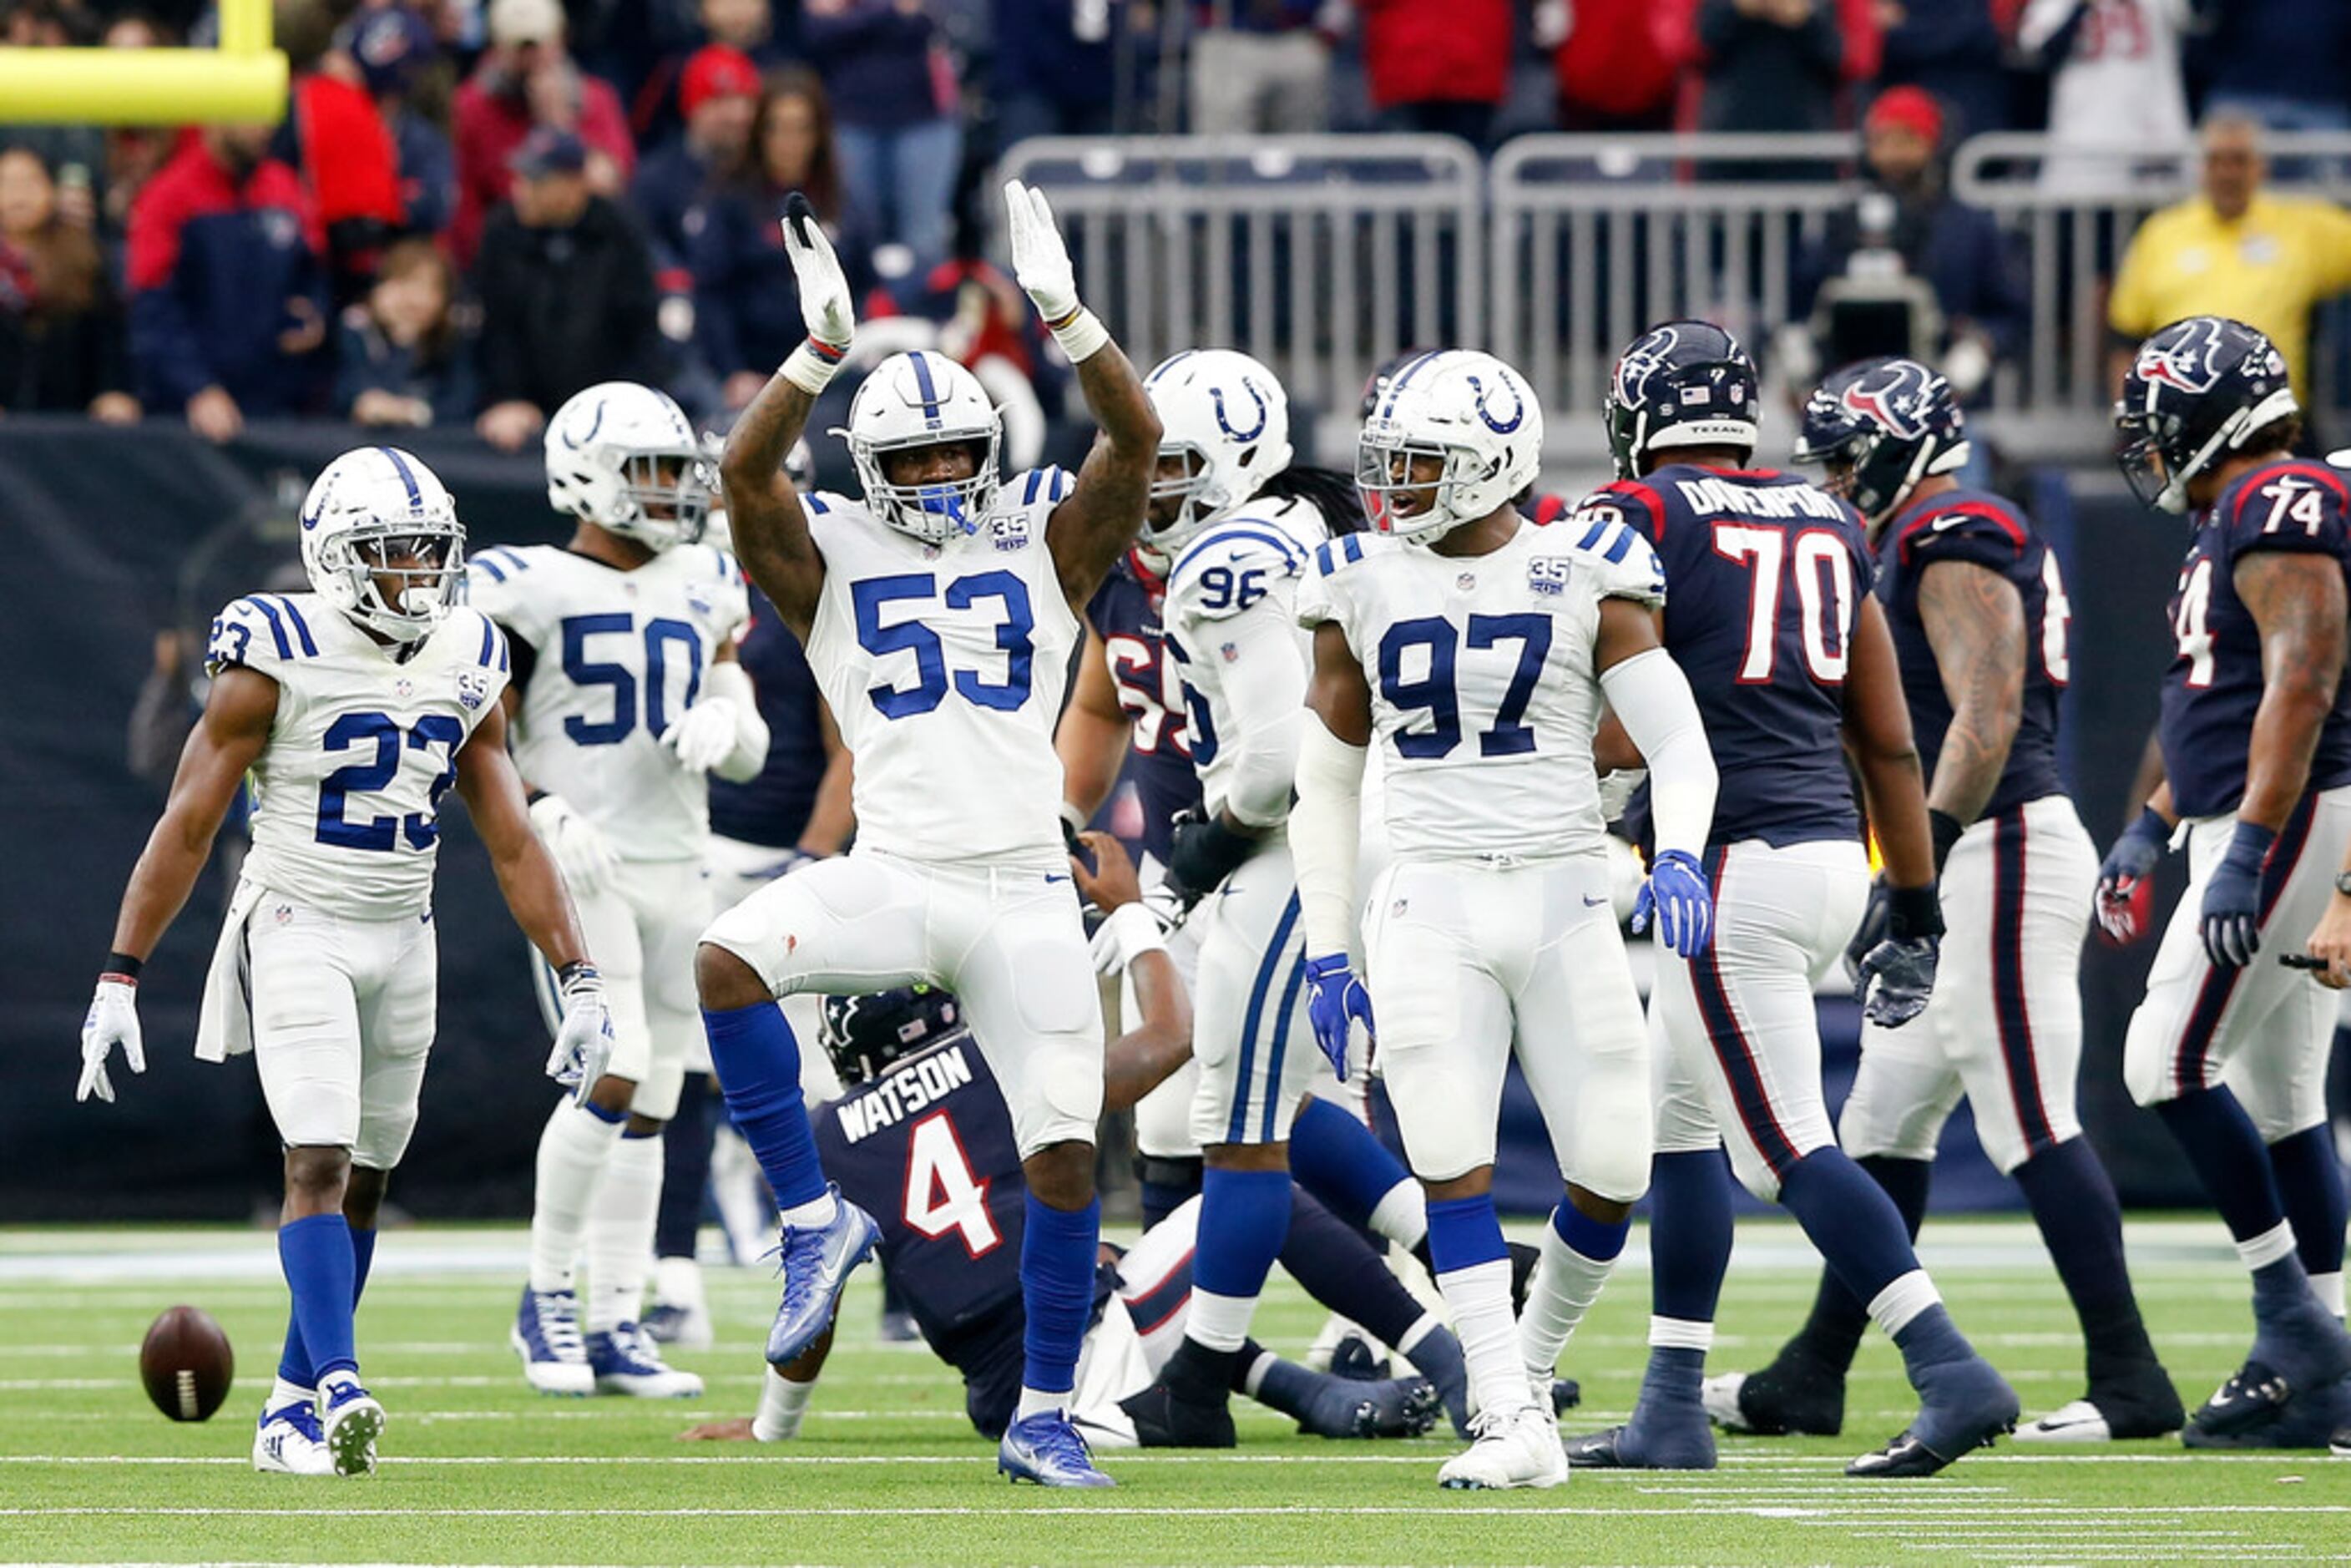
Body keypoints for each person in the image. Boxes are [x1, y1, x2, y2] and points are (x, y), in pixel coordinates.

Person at [699, 181, 1159, 1487]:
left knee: (1065, 1155)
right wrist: (817, 350)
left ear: (992, 453)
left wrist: (1066, 316)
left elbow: (1137, 439)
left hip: (1022, 886)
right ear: (869, 471)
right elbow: (744, 470)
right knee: (727, 960)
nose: (944, 478)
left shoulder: (1045, 545)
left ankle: (1046, 1413)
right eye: (915, 462)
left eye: (960, 455)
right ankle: (809, 1218)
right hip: (897, 873)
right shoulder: (826, 555)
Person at [74, 446, 615, 1476]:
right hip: (298, 920)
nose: (416, 573)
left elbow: (510, 835)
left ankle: (285, 1410)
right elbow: (188, 825)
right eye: (390, 553)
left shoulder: (467, 646)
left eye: (428, 551)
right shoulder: (274, 646)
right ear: (330, 556)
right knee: (315, 1162)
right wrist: (119, 972)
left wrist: (579, 974)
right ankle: (341, 1383)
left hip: (406, 930)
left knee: (367, 1179)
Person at [1547, 329, 2018, 1479]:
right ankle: (1670, 1403)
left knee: (1785, 1149)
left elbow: (1609, 699)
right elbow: (1890, 737)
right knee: (1681, 1126)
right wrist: (1913, 903)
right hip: (1826, 858)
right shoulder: (1826, 517)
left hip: (1726, 866)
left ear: (1639, 415)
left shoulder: (1640, 514)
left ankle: (1950, 1366)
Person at [1712, 357, 2180, 1446]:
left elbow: (1990, 710)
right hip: (1963, 850)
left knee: (2027, 1110)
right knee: (1881, 1122)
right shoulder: (1924, 528)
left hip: (1999, 845)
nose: (1830, 479)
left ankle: (2132, 1374)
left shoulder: (1952, 527)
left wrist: (1923, 864)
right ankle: (1814, 1370)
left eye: (1842, 456)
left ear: (1896, 443)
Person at [1289, 346, 1719, 1489]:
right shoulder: (1359, 578)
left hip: (1566, 881)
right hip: (1430, 888)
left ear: (1491, 465)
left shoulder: (1590, 564)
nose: (1396, 487)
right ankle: (1503, 1412)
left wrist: (1676, 852)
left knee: (1613, 1166)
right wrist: (1330, 949)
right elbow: (1325, 784)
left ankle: (1519, 1383)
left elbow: (1676, 740)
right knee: (1449, 1156)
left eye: (1422, 464)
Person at [682, 837, 1442, 1449]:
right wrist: (1135, 918)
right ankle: (1450, 1356)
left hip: (999, 1400)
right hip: (1076, 1352)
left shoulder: (827, 1135)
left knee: (1125, 1275)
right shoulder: (989, 1066)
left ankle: (1313, 1395)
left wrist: (771, 1426)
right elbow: (1171, 1036)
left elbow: (815, 1306)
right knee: (1255, 1177)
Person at [1098, 346, 1450, 1447]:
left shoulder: (1233, 555)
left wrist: (1212, 840)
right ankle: (1451, 1299)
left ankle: (1204, 1386)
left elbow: (1278, 752)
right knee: (1263, 1114)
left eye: (1176, 463)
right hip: (1354, 835)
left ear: (1237, 459)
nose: (1152, 484)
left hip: (1299, 844)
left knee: (1240, 1128)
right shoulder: (1297, 532)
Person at [464, 382, 765, 1403]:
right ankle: (545, 1300)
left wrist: (730, 721)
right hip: (578, 862)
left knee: (662, 1092)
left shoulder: (705, 577)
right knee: (617, 1070)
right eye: (649, 470)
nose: (671, 491)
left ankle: (615, 1319)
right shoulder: (520, 584)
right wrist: (539, 809)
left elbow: (745, 731)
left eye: (679, 471)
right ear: (584, 476)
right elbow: (481, 735)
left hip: (678, 861)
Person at [2098, 316, 2351, 1449]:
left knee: (2163, 1060)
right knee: (2288, 1100)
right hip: (2247, 812)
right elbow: (2218, 698)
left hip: (2286, 814)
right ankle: (2331, 1373)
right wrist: (2152, 826)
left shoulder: (2282, 498)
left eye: (2160, 418)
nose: (2146, 443)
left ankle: (2294, 1326)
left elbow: (2302, 679)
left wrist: (2250, 842)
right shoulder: (2231, 517)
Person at [1784, 87, 2026, 406]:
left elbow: (2010, 313)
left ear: (1934, 144)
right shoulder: (1842, 224)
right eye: (1881, 141)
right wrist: (1797, 355)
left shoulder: (1969, 227)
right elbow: (1802, 304)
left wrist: (1979, 347)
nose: (1892, 155)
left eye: (1907, 140)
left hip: (1944, 401)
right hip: (1850, 398)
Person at [2107, 116, 2351, 414]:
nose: (2227, 173)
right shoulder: (2162, 233)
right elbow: (2125, 338)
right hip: (2184, 422)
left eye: (2239, 161)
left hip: (2274, 419)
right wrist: (2130, 417)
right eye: (2216, 161)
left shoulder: (2303, 227)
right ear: (2201, 168)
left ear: (2261, 167)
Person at [126, 124, 328, 441]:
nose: (262, 127)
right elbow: (154, 311)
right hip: (191, 414)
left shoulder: (284, 185)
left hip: (278, 404)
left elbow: (311, 271)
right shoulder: (167, 197)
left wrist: (313, 313)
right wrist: (197, 388)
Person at [472, 129, 667, 454]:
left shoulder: (620, 232)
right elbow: (494, 330)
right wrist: (506, 399)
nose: (521, 191)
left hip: (607, 417)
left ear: (574, 183)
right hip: (524, 418)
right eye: (520, 178)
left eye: (536, 182)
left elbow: (642, 331)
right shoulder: (502, 232)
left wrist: (619, 410)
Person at [688, 68, 857, 413]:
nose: (789, 140)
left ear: (819, 135)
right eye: (777, 127)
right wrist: (732, 371)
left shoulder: (841, 199)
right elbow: (711, 294)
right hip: (752, 371)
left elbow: (867, 281)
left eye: (801, 128)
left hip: (834, 368)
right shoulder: (729, 199)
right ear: (759, 133)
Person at [449, 0, 636, 266]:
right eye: (519, 48)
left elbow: (610, 188)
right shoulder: (473, 106)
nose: (530, 59)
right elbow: (465, 205)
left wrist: (559, 124)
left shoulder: (595, 99)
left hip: (587, 249)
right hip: (509, 251)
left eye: (539, 46)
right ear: (497, 48)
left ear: (560, 40)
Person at [801, 0, 959, 276]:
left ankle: (928, 312)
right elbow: (819, 32)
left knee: (925, 240)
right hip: (850, 119)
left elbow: (944, 22)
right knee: (856, 235)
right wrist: (891, 11)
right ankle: (864, 314)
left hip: (924, 120)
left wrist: (856, 17)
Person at [0, 143, 136, 418]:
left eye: (30, 182)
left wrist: (112, 393)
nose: (19, 194)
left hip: (70, 421)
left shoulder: (85, 257)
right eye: (6, 183)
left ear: (53, 191)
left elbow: (108, 340)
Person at [629, 44, 760, 274]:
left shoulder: (770, 174)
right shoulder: (656, 180)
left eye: (747, 100)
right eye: (721, 100)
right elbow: (645, 250)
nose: (739, 114)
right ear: (693, 107)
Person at [333, 236, 474, 427]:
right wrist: (401, 339)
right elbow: (352, 395)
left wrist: (414, 413)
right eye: (404, 284)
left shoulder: (456, 333)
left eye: (427, 288)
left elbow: (462, 401)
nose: (414, 300)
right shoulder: (357, 327)